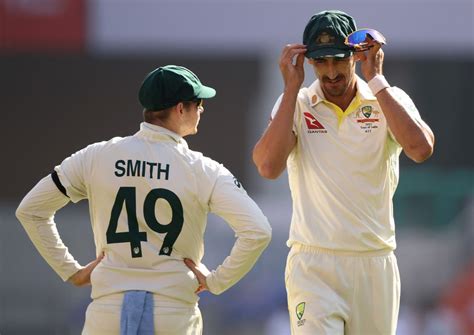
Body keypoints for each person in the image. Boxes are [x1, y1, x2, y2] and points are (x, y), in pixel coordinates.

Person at [16, 65, 272, 335]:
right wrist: (217, 281)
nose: (202, 109)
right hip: (173, 313)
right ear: (180, 109)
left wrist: (70, 270)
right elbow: (258, 231)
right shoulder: (205, 170)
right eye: (197, 102)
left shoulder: (95, 156)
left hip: (107, 313)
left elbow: (31, 210)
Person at [253, 10, 434, 335]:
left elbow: (421, 150)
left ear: (355, 54)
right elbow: (268, 166)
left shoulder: (387, 98)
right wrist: (292, 89)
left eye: (339, 59)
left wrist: (377, 80)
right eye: (321, 62)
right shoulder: (296, 102)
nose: (332, 72)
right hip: (314, 263)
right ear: (308, 61)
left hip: (374, 261)